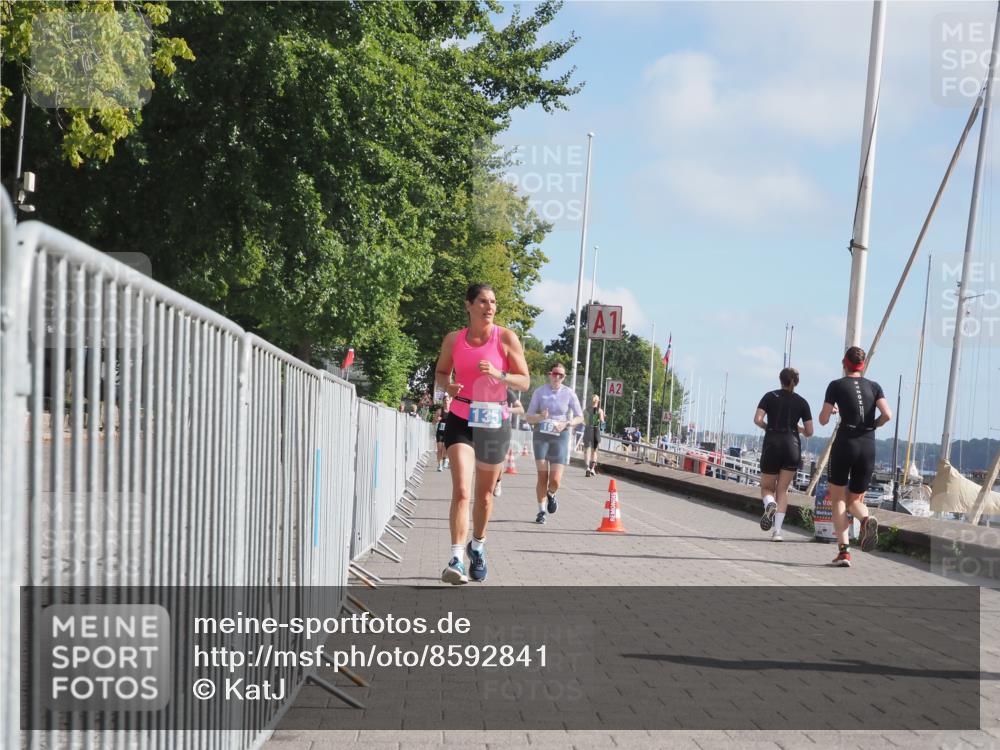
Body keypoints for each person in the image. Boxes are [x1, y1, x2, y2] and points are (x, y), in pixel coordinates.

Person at [434, 284, 530, 584]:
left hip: (493, 421)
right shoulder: (454, 339)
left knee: (485, 497)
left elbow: (524, 381)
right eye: (483, 301)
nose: (490, 307)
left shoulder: (506, 338)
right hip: (461, 418)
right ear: (469, 305)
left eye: (493, 302)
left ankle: (477, 546)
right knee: (462, 491)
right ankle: (456, 559)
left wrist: (499, 374)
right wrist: (448, 386)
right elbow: (440, 372)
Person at [818, 346, 891, 567]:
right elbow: (887, 414)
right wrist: (874, 424)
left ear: (844, 363)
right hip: (867, 445)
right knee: (855, 501)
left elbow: (822, 419)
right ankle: (866, 519)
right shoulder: (875, 386)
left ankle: (844, 552)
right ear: (863, 364)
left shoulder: (836, 385)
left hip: (845, 443)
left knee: (838, 499)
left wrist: (832, 411)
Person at [754, 368, 814, 541]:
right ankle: (777, 532)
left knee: (767, 487)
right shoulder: (802, 402)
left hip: (772, 444)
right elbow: (809, 431)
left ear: (780, 379)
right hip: (792, 446)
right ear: (795, 382)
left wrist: (768, 427)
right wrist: (797, 429)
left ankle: (769, 503)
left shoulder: (769, 396)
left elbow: (757, 419)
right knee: (782, 490)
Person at [525, 364, 584, 524]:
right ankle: (541, 511)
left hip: (560, 435)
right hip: (541, 435)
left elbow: (580, 417)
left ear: (564, 377)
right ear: (550, 374)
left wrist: (567, 423)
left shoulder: (569, 393)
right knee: (542, 476)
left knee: (555, 480)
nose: (557, 377)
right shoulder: (540, 392)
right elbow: (529, 417)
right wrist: (540, 417)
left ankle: (551, 494)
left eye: (561, 375)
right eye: (555, 373)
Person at [493, 389, 525, 498]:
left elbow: (521, 409)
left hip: (502, 428)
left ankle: (498, 481)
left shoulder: (507, 392)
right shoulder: (483, 388)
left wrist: (507, 409)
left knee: (499, 459)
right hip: (484, 428)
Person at [583, 394, 605, 477]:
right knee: (594, 451)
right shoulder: (600, 411)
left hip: (587, 430)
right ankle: (592, 469)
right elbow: (602, 422)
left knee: (586, 450)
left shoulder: (586, 410)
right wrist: (602, 428)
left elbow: (583, 421)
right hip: (595, 431)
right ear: (598, 401)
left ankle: (587, 468)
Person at [433, 395, 451, 471]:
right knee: (439, 449)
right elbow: (433, 422)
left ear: (450, 401)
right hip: (440, 432)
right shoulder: (439, 411)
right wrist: (437, 419)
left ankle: (445, 459)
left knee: (446, 448)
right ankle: (439, 465)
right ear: (443, 402)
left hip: (449, 432)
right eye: (445, 401)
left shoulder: (452, 411)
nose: (446, 402)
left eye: (447, 400)